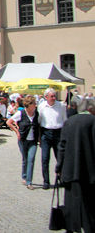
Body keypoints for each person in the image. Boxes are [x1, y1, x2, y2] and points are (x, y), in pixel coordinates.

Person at [55, 98, 95, 233]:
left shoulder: (69, 122)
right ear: (90, 109)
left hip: (70, 169)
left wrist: (58, 167)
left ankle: (72, 228)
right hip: (90, 171)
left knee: (71, 203)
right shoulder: (93, 121)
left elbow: (62, 146)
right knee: (89, 203)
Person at [7, 96, 39, 190]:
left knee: (31, 159)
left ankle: (29, 182)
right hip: (23, 140)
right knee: (25, 159)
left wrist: (40, 138)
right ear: (29, 105)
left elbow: (39, 125)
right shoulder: (21, 113)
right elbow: (9, 122)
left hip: (33, 140)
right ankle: (24, 176)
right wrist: (17, 131)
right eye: (34, 104)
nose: (35, 105)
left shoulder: (37, 114)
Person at [37, 88, 66, 189]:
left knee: (60, 158)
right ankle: (46, 181)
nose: (54, 98)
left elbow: (64, 120)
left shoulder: (61, 106)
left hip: (58, 133)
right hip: (46, 133)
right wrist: (39, 137)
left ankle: (61, 179)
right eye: (51, 96)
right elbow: (39, 121)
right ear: (46, 97)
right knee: (45, 159)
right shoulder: (41, 107)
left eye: (54, 96)